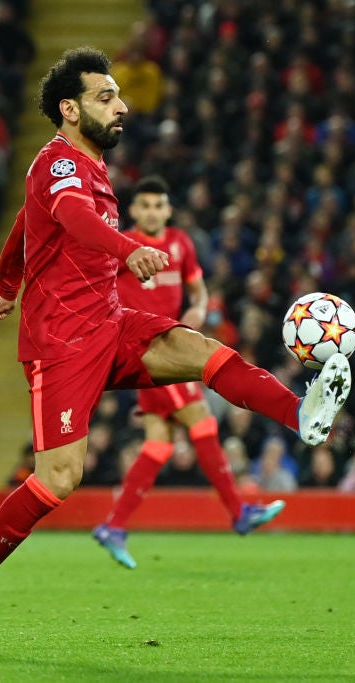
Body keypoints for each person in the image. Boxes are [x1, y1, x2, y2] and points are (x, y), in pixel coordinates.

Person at [0, 47, 352, 654]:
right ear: (69, 109)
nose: (122, 105)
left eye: (118, 94)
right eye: (106, 96)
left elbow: (25, 228)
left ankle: (301, 415)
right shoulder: (59, 166)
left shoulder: (90, 164)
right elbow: (74, 219)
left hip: (110, 321)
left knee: (198, 349)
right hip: (61, 342)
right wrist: (125, 248)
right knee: (59, 479)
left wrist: (5, 285)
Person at [91, 175, 285, 569]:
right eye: (143, 205)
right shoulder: (124, 248)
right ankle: (238, 512)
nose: (151, 212)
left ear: (167, 209)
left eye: (157, 205)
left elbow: (198, 290)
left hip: (174, 349)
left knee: (159, 444)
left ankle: (114, 525)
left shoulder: (180, 243)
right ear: (135, 211)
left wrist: (197, 309)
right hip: (148, 353)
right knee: (202, 421)